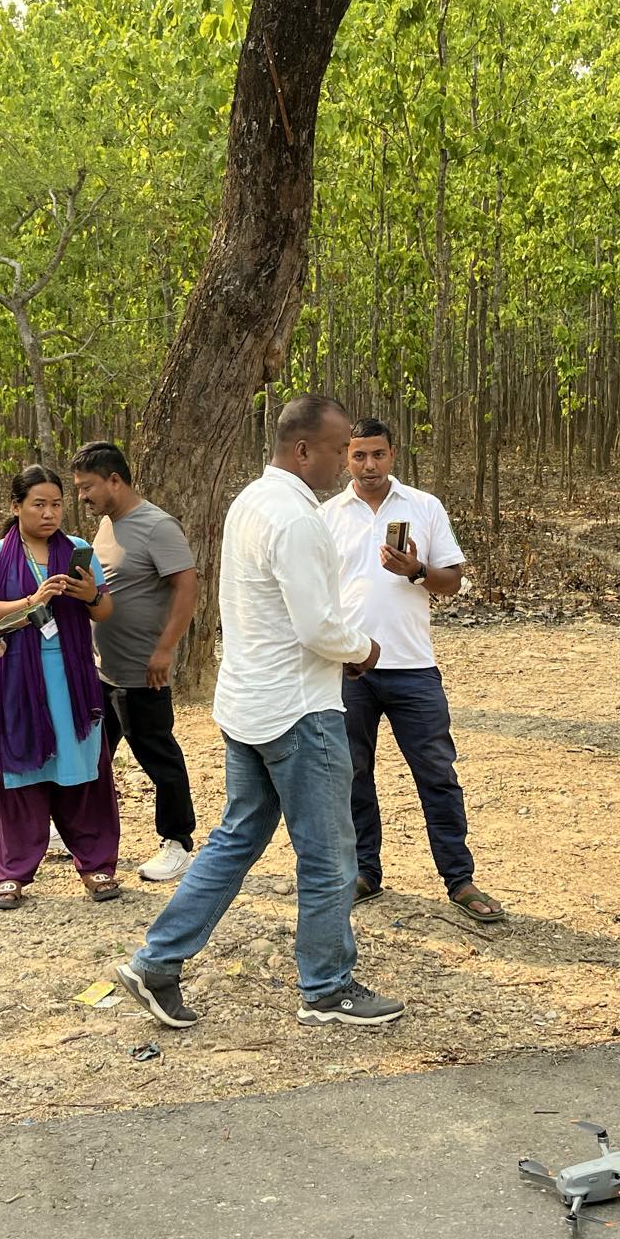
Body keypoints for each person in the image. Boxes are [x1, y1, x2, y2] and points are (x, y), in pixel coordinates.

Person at [116, 395, 405, 1030]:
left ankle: (156, 962)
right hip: (300, 712)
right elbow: (318, 627)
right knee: (331, 857)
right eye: (336, 452)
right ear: (303, 449)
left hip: (249, 703)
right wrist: (364, 649)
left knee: (235, 839)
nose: (344, 465)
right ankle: (326, 987)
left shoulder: (252, 500)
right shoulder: (298, 520)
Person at [322, 419, 503, 924]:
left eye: (378, 455)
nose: (369, 466)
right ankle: (363, 873)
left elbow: (452, 583)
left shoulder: (424, 507)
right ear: (345, 458)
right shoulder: (326, 515)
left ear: (393, 454)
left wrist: (417, 572)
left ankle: (459, 879)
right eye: (358, 457)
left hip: (413, 668)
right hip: (349, 667)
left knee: (437, 775)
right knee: (352, 775)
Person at [0, 465, 122, 909]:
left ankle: (97, 865)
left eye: (56, 504)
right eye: (39, 504)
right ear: (16, 507)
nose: (50, 513)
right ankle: (12, 871)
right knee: (20, 773)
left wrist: (90, 594)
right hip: (17, 677)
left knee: (83, 771)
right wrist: (32, 602)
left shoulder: (77, 550)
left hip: (73, 680)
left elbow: (104, 611)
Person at [71, 440, 201, 883]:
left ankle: (178, 841)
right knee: (92, 755)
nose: (82, 497)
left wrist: (165, 649)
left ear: (115, 480)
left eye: (88, 487)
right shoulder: (106, 526)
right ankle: (76, 829)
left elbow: (187, 589)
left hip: (144, 670)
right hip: (102, 669)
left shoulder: (157, 525)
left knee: (157, 754)